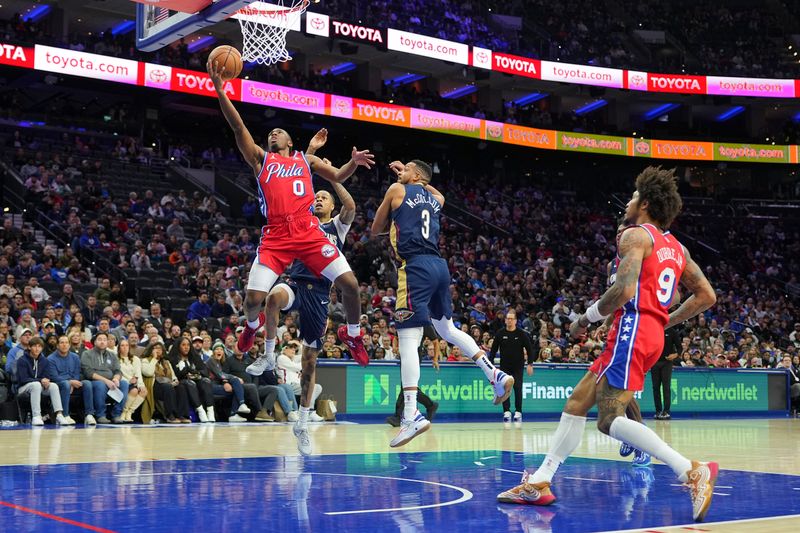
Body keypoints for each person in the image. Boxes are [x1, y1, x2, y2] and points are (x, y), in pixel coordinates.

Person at [497, 167, 719, 523]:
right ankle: (540, 480)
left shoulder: (635, 236)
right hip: (648, 333)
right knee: (576, 403)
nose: (628, 203)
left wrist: (585, 318)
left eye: (633, 197)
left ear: (645, 203)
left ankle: (689, 469)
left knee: (608, 419)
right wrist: (663, 319)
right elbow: (706, 295)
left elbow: (625, 290)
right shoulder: (678, 249)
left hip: (632, 330)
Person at [206, 62, 374, 366]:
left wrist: (353, 162)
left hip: (308, 230)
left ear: (290, 142)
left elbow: (338, 175)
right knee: (253, 300)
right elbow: (238, 127)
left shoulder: (304, 159)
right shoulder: (260, 159)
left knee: (350, 284)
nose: (274, 133)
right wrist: (220, 90)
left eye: (280, 131)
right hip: (276, 235)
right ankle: (253, 326)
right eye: (271, 131)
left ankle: (353, 333)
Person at [371, 159, 513, 448]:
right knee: (447, 329)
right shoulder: (436, 199)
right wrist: (418, 179)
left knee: (408, 338)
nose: (401, 171)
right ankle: (494, 373)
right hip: (439, 266)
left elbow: (375, 229)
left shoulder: (396, 190)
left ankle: (411, 415)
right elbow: (436, 193)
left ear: (418, 175)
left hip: (415, 267)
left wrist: (404, 182)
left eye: (407, 167)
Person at [246, 128, 355, 454]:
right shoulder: (303, 218)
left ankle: (304, 421)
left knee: (309, 360)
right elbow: (293, 188)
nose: (318, 198)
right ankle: (267, 354)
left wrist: (333, 177)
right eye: (316, 196)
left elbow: (348, 204)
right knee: (272, 297)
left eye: (324, 198)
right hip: (295, 282)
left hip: (320, 294)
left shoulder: (336, 225)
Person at [489, 309, 535, 422]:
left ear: (515, 321)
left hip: (518, 366)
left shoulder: (521, 334)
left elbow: (530, 349)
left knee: (517, 388)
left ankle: (518, 412)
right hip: (504, 366)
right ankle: (506, 412)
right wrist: (490, 366)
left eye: (511, 319)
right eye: (507, 319)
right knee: (505, 389)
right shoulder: (500, 333)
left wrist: (530, 364)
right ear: (505, 320)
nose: (509, 321)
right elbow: (493, 350)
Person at [17, 337, 73, 425]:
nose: (37, 348)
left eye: (39, 346)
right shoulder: (22, 360)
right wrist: (40, 380)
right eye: (34, 346)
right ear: (29, 347)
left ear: (42, 348)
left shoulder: (44, 361)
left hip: (39, 386)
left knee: (53, 386)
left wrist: (46, 381)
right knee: (36, 385)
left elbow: (47, 377)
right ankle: (36, 416)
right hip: (24, 387)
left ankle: (59, 415)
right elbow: (23, 379)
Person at [81, 332, 130, 424]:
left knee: (124, 383)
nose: (102, 342)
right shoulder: (87, 354)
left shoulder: (112, 355)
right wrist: (106, 381)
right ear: (94, 342)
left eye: (104, 340)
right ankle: (101, 415)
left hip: (111, 381)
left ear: (107, 342)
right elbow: (88, 372)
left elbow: (117, 370)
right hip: (94, 382)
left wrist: (116, 378)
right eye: (99, 340)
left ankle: (116, 414)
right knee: (100, 384)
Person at [141, 342, 191, 424]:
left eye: (160, 348)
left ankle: (182, 415)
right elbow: (148, 373)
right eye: (155, 348)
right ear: (151, 350)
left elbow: (173, 376)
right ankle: (170, 415)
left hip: (167, 384)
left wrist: (175, 381)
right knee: (167, 387)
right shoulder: (145, 360)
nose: (158, 350)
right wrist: (154, 358)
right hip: (154, 386)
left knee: (181, 387)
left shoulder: (166, 362)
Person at [168, 337, 215, 422]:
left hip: (196, 380)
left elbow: (204, 370)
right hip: (182, 381)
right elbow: (175, 374)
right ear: (178, 346)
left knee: (206, 381)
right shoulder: (173, 359)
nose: (186, 347)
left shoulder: (194, 356)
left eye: (188, 345)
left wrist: (196, 374)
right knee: (190, 383)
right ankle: (201, 411)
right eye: (183, 345)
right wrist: (187, 371)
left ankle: (210, 411)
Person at [46, 335, 89, 424]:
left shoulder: (75, 357)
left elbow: (77, 373)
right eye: (62, 343)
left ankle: (89, 414)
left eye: (66, 343)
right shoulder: (50, 358)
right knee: (66, 384)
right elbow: (54, 376)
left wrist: (73, 382)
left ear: (69, 345)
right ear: (57, 345)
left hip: (73, 383)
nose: (64, 345)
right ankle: (65, 415)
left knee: (87, 384)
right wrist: (70, 382)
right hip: (58, 384)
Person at [652, 311, 680, 420]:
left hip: (667, 362)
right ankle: (658, 411)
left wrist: (676, 354)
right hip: (654, 362)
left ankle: (667, 411)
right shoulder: (652, 331)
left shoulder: (672, 331)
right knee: (655, 387)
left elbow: (679, 347)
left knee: (666, 387)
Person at [117, 338, 147, 423]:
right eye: (122, 345)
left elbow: (138, 374)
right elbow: (117, 373)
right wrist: (129, 381)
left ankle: (129, 412)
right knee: (134, 391)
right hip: (123, 382)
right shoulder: (116, 359)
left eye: (127, 345)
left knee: (144, 391)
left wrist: (141, 385)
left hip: (134, 382)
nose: (125, 347)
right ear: (119, 348)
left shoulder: (135, 359)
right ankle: (124, 412)